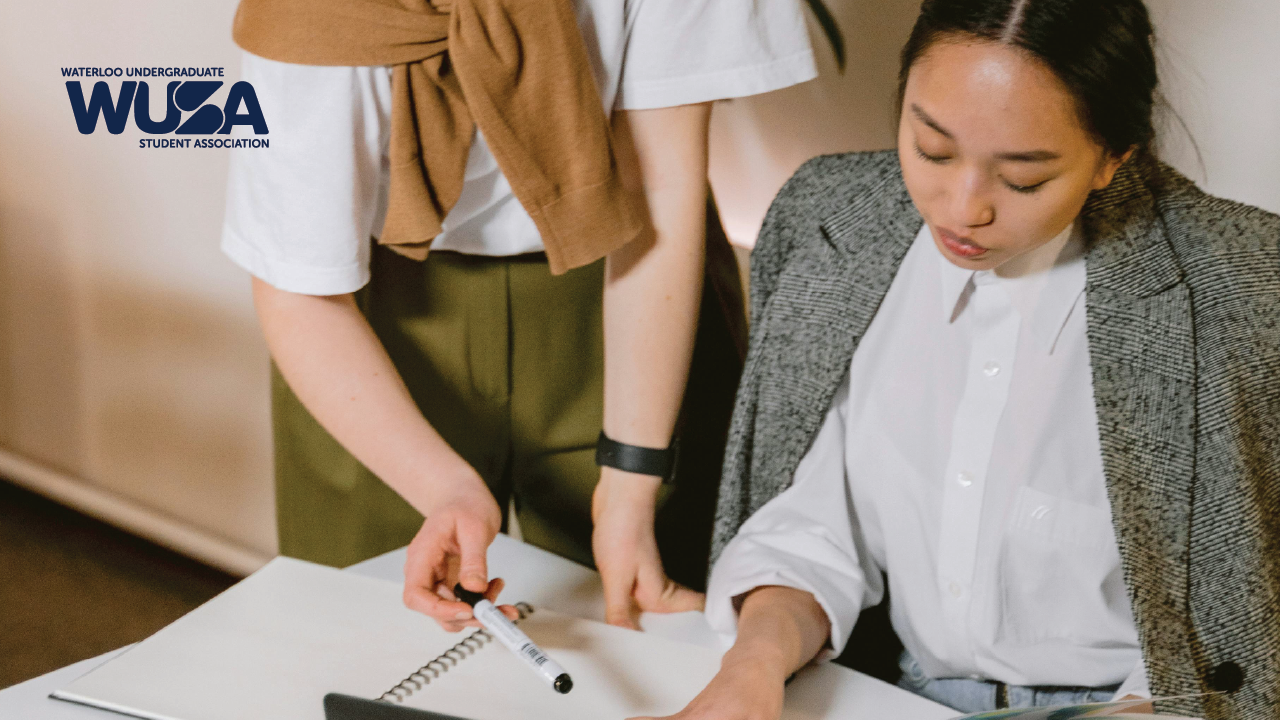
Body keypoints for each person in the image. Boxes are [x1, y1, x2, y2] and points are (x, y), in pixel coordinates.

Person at [639, 1, 1280, 719]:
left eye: (1023, 179)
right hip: (884, 693)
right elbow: (814, 531)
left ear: (1113, 159)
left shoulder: (1240, 286)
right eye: (932, 149)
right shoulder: (833, 223)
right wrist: (751, 667)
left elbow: (1239, 618)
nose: (962, 207)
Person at [221, 0, 817, 632]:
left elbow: (658, 185)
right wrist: (443, 485)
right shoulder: (307, 16)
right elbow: (299, 290)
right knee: (367, 634)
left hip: (629, 282)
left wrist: (632, 484)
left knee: (645, 622)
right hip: (368, 317)